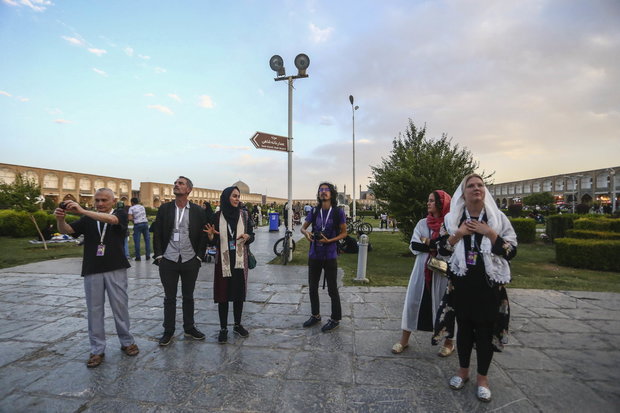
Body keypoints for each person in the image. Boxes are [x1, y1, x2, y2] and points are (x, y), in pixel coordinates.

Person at [437, 174, 517, 403]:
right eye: (470, 186)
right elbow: (441, 249)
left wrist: (490, 233)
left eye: (480, 185)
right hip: (462, 285)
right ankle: (463, 372)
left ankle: (482, 379)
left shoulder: (497, 218)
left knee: (484, 332)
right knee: (463, 330)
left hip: (488, 286)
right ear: (463, 192)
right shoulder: (452, 219)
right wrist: (459, 234)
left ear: (485, 190)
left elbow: (512, 251)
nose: (476, 188)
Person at [54, 188, 139, 368]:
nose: (100, 204)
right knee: (94, 310)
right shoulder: (88, 219)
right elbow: (69, 230)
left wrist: (83, 210)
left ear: (113, 201)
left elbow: (113, 221)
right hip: (92, 268)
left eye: (104, 200)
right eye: (97, 200)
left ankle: (127, 342)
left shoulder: (120, 214)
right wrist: (60, 219)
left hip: (115, 267)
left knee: (120, 307)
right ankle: (97, 349)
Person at [392, 190, 455, 356]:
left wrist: (428, 241)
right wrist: (434, 244)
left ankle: (449, 342)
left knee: (445, 306)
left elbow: (449, 248)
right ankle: (404, 340)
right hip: (422, 270)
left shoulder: (449, 225)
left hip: (441, 271)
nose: (428, 203)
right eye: (428, 200)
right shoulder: (422, 223)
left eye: (432, 201)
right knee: (413, 302)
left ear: (442, 204)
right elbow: (414, 245)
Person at [153, 176, 208, 346]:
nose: (176, 185)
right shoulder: (165, 209)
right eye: (175, 183)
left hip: (190, 259)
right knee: (169, 297)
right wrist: (159, 256)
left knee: (188, 296)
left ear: (189, 189)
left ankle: (189, 327)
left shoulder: (198, 211)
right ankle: (168, 330)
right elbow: (158, 233)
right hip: (168, 259)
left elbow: (203, 235)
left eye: (180, 183)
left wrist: (199, 257)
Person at [204, 186, 255, 344]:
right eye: (234, 196)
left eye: (238, 196)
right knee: (223, 294)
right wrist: (211, 237)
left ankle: (237, 325)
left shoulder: (244, 215)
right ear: (226, 197)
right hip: (224, 261)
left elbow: (251, 235)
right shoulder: (217, 216)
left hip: (240, 260)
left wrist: (247, 236)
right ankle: (223, 328)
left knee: (239, 293)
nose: (237, 199)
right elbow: (211, 239)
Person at [300, 182, 348, 332]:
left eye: (327, 190)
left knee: (332, 288)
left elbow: (344, 233)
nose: (323, 192)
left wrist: (330, 240)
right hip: (315, 254)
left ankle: (335, 318)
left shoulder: (337, 212)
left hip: (330, 254)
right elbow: (303, 227)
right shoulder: (314, 211)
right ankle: (315, 315)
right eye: (321, 190)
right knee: (312, 287)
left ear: (332, 194)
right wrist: (305, 233)